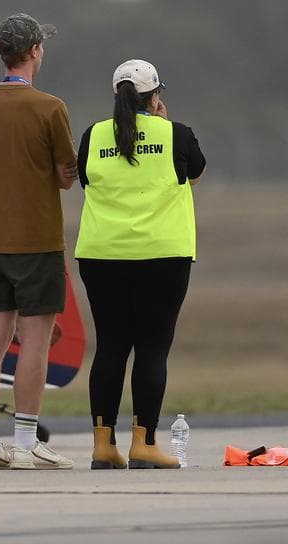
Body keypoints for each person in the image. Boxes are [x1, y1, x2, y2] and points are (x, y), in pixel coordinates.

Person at [75, 59, 205, 469]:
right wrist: (162, 123)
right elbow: (193, 176)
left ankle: (102, 444)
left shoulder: (93, 136)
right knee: (152, 348)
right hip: (163, 255)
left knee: (111, 346)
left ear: (116, 95)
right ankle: (145, 443)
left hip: (101, 254)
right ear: (155, 97)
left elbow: (87, 180)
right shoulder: (176, 134)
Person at [0, 13, 77, 470]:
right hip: (36, 239)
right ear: (33, 51)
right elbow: (67, 176)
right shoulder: (50, 107)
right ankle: (28, 439)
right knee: (34, 339)